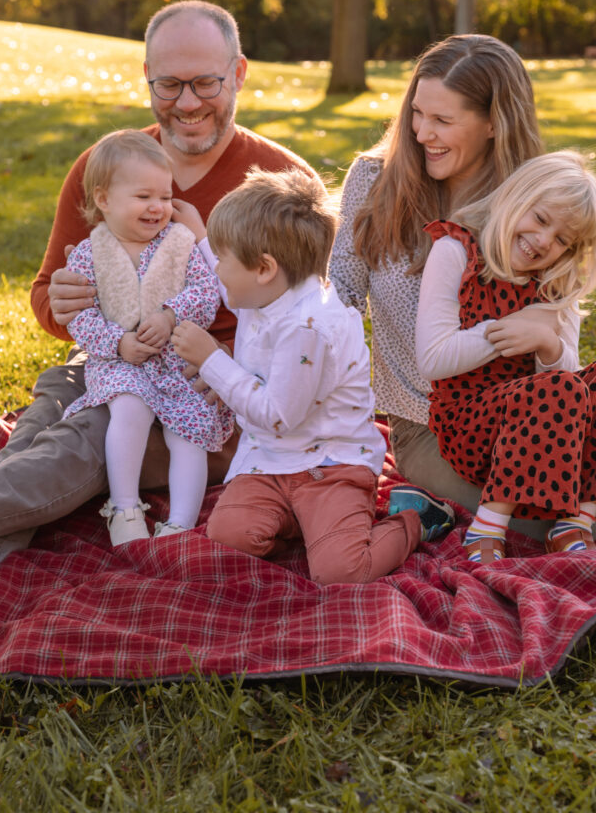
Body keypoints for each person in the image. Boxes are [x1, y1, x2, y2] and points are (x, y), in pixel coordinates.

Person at [0, 0, 315, 590]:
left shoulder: (279, 184)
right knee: (38, 435)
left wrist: (227, 369)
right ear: (147, 77)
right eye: (169, 84)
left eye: (206, 82)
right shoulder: (105, 169)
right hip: (103, 360)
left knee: (77, 443)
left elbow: (309, 327)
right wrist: (63, 303)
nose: (189, 102)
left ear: (240, 73)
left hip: (209, 394)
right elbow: (47, 298)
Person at [329, 33, 588, 541]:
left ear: (494, 123)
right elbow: (337, 296)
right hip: (427, 426)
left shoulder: (532, 208)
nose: (424, 132)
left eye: (443, 121)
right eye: (417, 114)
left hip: (525, 420)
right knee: (540, 518)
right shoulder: (374, 182)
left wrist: (548, 340)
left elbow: (563, 357)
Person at [170, 167, 455, 585]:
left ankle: (411, 519)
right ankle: (305, 524)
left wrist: (213, 361)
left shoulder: (308, 329)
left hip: (330, 463)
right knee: (228, 537)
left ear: (264, 267)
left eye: (223, 259)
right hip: (269, 463)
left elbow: (278, 415)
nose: (215, 271)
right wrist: (198, 231)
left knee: (340, 571)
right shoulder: (263, 289)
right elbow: (224, 264)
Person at [415, 151, 596, 564]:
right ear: (516, 197)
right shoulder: (456, 251)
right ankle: (488, 527)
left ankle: (576, 521)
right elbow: (433, 358)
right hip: (472, 422)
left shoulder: (558, 278)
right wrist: (512, 326)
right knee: (558, 388)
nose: (542, 241)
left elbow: (568, 382)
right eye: (539, 219)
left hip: (547, 426)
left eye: (561, 240)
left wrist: (547, 344)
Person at [63, 130, 235, 544]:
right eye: (143, 197)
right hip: (120, 361)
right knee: (130, 409)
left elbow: (205, 289)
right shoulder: (91, 252)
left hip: (176, 360)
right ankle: (124, 508)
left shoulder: (178, 244)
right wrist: (117, 342)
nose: (158, 207)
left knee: (188, 429)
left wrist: (172, 313)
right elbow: (80, 317)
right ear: (104, 200)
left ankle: (181, 522)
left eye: (165, 196)